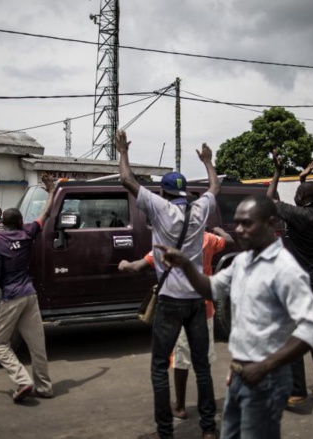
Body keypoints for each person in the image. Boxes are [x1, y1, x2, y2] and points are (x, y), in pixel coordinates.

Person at [156, 194, 313, 439]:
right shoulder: (243, 261)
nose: (238, 230)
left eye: (246, 223)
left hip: (267, 380)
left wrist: (264, 366)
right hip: (240, 374)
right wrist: (185, 264)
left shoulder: (285, 269)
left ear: (269, 223)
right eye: (236, 223)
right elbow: (210, 288)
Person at [116, 129, 220, 439]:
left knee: (160, 367)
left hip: (171, 301)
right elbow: (215, 186)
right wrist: (208, 162)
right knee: (202, 367)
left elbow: (127, 180)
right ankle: (208, 429)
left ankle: (165, 432)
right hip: (197, 300)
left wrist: (123, 152)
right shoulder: (200, 209)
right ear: (185, 191)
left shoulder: (159, 208)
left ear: (162, 193)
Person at [119, 227, 233, 420]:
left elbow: (137, 267)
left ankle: (179, 405)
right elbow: (229, 241)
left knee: (180, 361)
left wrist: (124, 264)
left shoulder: (168, 244)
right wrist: (220, 230)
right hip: (204, 309)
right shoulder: (207, 238)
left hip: (177, 309)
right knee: (202, 364)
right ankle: (207, 414)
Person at [0, 175, 56, 403]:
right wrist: (52, 190)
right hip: (29, 295)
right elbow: (45, 214)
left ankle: (22, 380)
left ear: (2, 223)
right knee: (37, 345)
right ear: (19, 222)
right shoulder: (27, 233)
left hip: (11, 296)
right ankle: (44, 387)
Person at [266, 152, 313, 406]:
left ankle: (296, 391)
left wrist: (277, 171)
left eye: (298, 194)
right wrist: (303, 180)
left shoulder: (296, 214)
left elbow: (270, 198)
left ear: (301, 198)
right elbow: (307, 202)